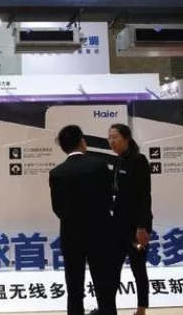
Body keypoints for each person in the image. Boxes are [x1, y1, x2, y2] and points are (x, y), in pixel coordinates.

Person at [49, 125, 114, 315]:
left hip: (71, 235)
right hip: (100, 232)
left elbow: (58, 208)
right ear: (82, 142)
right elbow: (108, 198)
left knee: (74, 286)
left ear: (63, 147)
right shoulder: (99, 166)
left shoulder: (57, 173)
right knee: (104, 284)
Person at [107, 124, 152, 315]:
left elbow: (144, 196)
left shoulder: (138, 160)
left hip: (137, 227)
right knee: (112, 269)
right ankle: (108, 309)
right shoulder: (118, 161)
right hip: (119, 226)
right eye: (109, 138)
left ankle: (141, 310)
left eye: (115, 137)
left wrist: (141, 227)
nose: (111, 141)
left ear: (127, 138)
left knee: (138, 268)